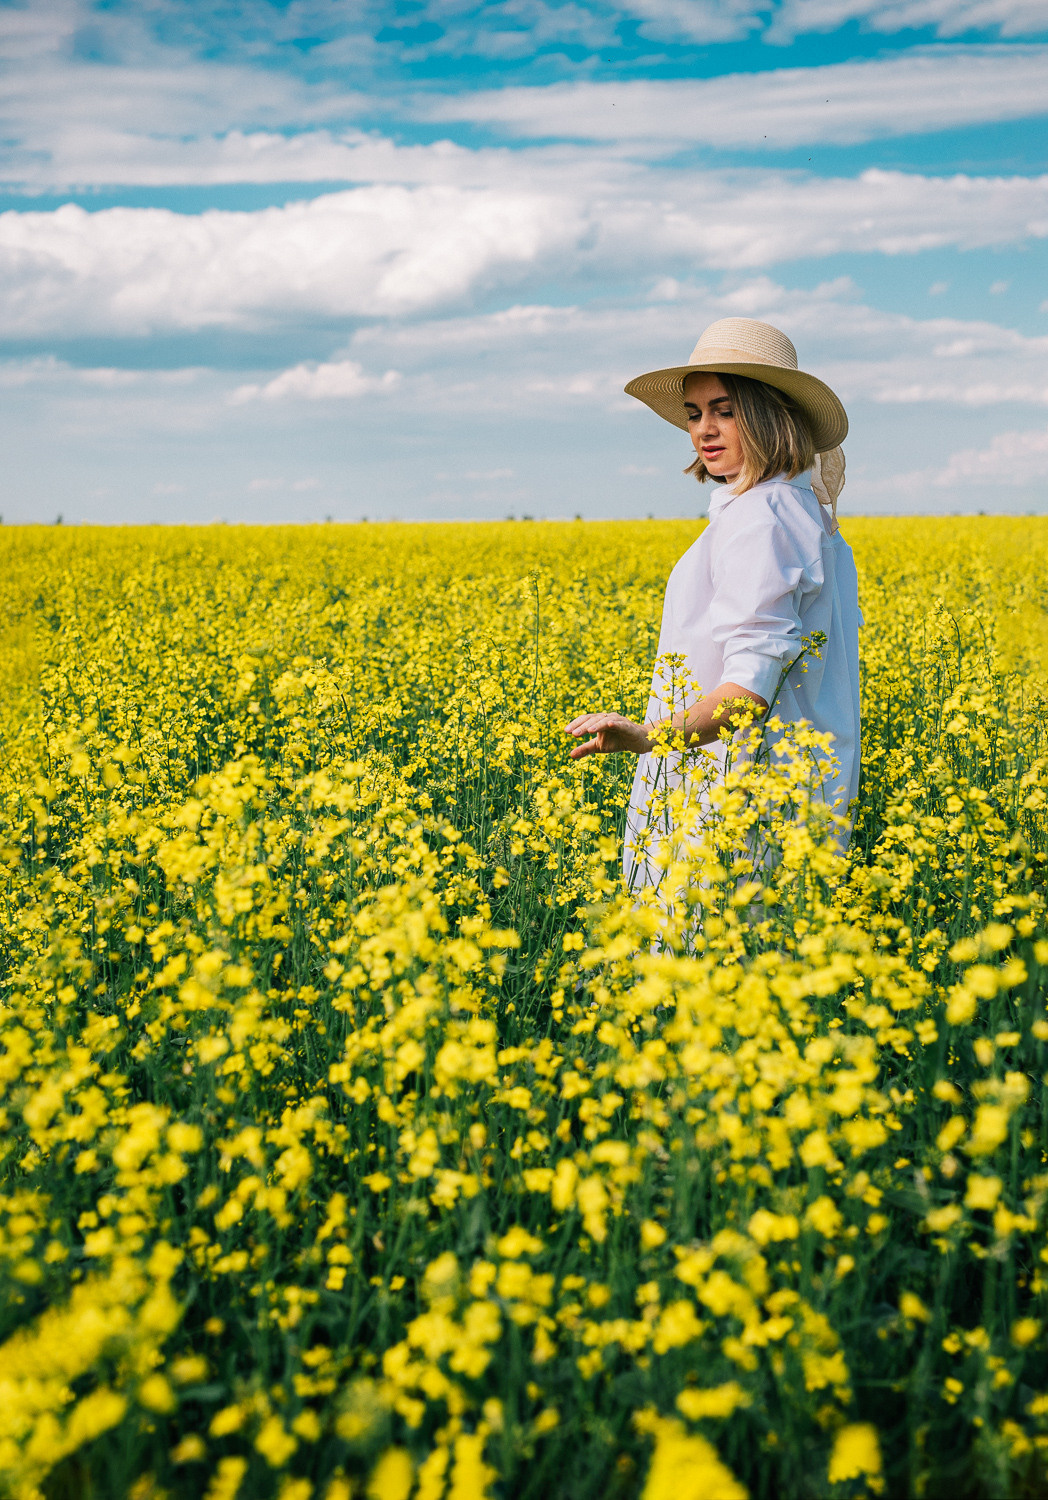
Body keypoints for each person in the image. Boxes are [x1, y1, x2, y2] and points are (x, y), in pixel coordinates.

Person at [564, 317, 861, 895]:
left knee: (701, 969)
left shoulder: (763, 518)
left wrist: (648, 735)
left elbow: (747, 691)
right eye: (695, 413)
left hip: (733, 799)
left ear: (771, 414)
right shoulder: (802, 513)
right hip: (796, 790)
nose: (704, 429)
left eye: (725, 409)